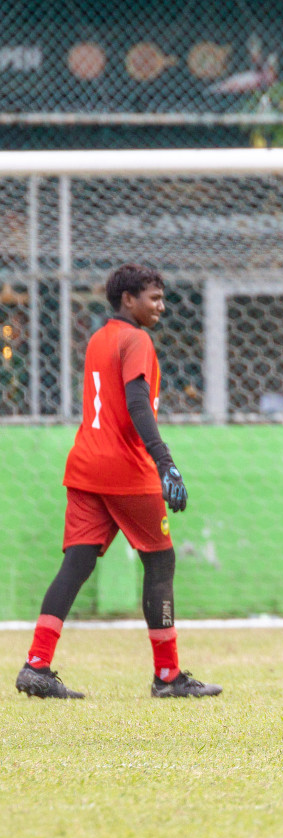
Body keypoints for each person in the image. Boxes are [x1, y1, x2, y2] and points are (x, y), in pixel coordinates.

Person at [16, 263, 219, 700]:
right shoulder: (137, 339)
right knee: (160, 562)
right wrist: (164, 461)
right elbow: (136, 401)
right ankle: (167, 676)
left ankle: (36, 664)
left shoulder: (100, 337)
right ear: (128, 299)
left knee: (77, 563)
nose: (161, 306)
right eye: (154, 297)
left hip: (85, 466)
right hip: (125, 469)